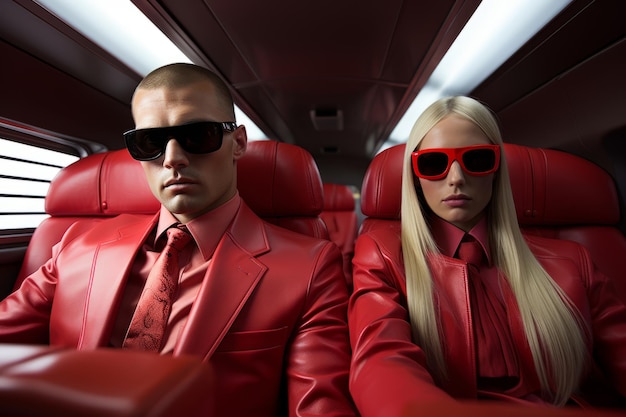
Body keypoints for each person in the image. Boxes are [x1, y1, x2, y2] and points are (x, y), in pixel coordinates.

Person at [0, 63, 356, 417]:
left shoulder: (310, 266)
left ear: (239, 143)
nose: (173, 159)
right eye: (150, 142)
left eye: (198, 135)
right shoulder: (79, 243)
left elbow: (319, 406)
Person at [348, 96, 626, 416]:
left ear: (496, 170)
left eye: (477, 160)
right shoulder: (383, 255)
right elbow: (382, 363)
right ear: (415, 175)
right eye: (434, 163)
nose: (456, 178)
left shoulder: (575, 262)